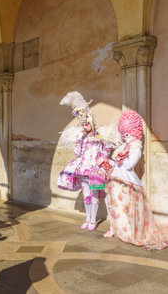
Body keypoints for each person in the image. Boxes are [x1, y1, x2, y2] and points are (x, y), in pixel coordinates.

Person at [101, 110, 168, 249]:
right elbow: (118, 164)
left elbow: (129, 165)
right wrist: (107, 162)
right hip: (115, 180)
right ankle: (114, 228)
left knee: (125, 209)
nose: (125, 136)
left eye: (127, 133)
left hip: (127, 182)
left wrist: (121, 158)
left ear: (133, 130)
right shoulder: (124, 147)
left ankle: (128, 232)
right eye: (124, 133)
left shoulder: (135, 147)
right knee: (113, 206)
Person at [57, 91, 111, 231]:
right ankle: (87, 218)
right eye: (82, 123)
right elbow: (77, 153)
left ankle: (93, 220)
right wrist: (79, 140)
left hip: (95, 170)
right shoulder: (83, 137)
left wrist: (98, 141)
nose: (84, 125)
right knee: (86, 195)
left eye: (86, 122)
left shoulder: (100, 135)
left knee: (94, 195)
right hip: (83, 168)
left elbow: (105, 151)